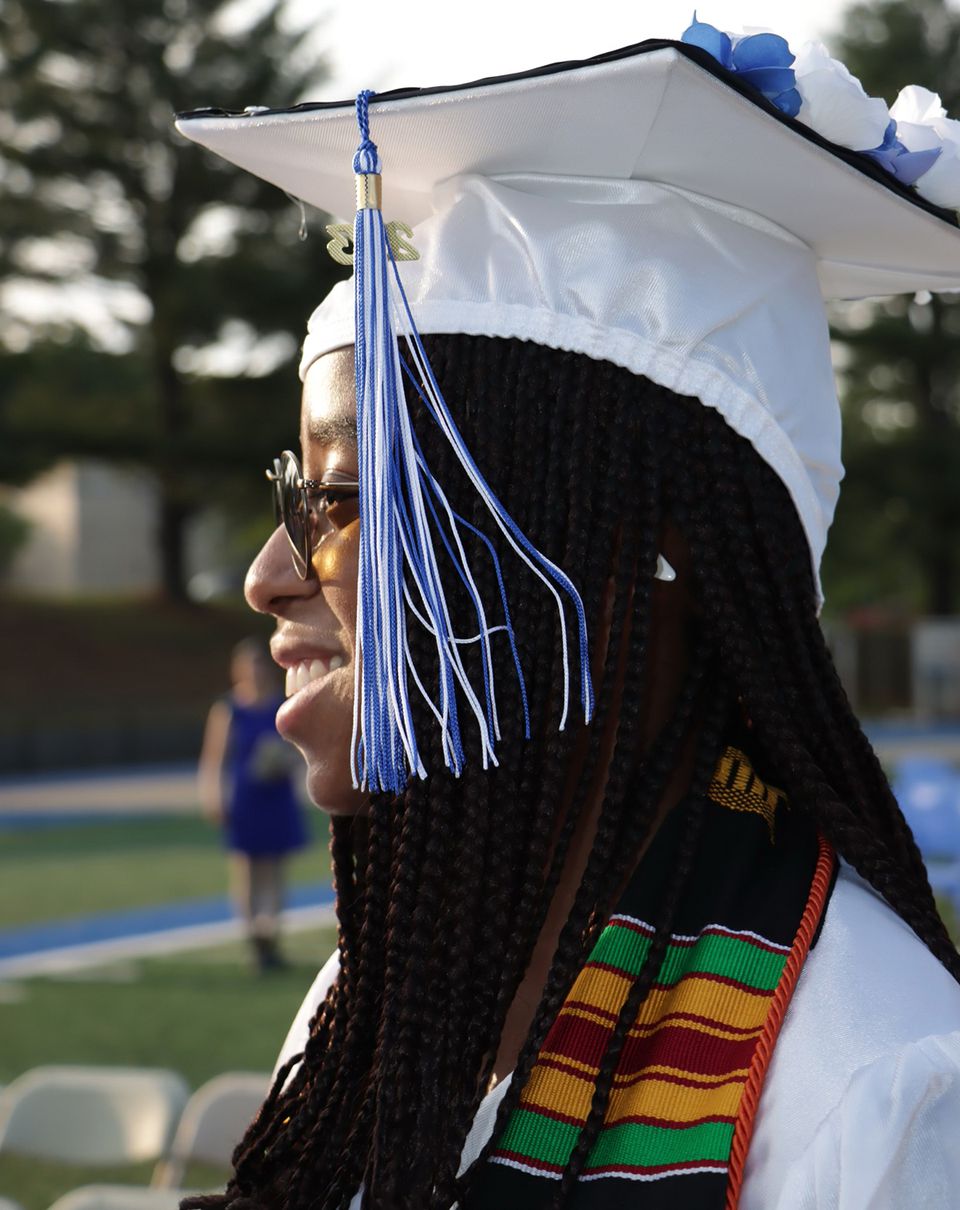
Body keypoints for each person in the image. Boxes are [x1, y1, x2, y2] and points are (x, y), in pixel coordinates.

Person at [176, 20, 960, 1209]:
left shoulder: (870, 1080)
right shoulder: (381, 988)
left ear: (645, 552)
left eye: (345, 499)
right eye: (294, 496)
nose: (269, 576)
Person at [198, 637, 307, 972]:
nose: (255, 672)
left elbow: (301, 751)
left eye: (260, 664)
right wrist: (213, 795)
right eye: (248, 665)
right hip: (247, 797)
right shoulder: (228, 710)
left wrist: (283, 760)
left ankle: (271, 936)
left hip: (277, 793)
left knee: (275, 869)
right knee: (247, 870)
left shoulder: (283, 705)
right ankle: (254, 940)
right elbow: (214, 759)